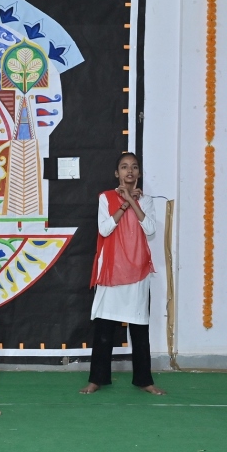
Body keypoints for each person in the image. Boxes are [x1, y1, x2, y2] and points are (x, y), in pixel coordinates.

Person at [80, 152, 164, 395]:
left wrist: (134, 202)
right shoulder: (105, 198)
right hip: (112, 272)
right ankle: (97, 379)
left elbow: (150, 229)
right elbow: (104, 230)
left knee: (139, 330)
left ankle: (144, 380)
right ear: (117, 173)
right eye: (125, 167)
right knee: (104, 329)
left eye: (134, 167)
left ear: (139, 173)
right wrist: (124, 203)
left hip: (138, 272)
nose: (130, 171)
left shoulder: (146, 201)